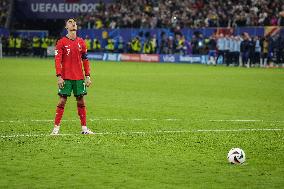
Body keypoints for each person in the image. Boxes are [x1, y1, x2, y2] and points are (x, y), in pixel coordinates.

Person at [51, 18, 94, 135]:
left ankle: (84, 129)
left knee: (81, 101)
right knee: (62, 101)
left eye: (74, 22)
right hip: (65, 77)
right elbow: (57, 60)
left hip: (79, 77)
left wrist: (88, 76)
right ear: (66, 27)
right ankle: (56, 129)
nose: (73, 23)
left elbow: (85, 60)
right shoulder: (61, 42)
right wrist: (59, 76)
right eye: (70, 22)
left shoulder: (81, 42)